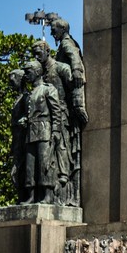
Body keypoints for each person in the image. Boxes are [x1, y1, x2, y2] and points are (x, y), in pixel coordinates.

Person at [50, 18, 89, 207]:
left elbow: (76, 63)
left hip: (67, 107)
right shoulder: (65, 44)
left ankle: (71, 196)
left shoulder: (66, 44)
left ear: (62, 29)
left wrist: (77, 102)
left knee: (68, 153)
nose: (51, 33)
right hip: (65, 105)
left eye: (54, 29)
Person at [20, 60, 66, 203]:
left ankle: (47, 195)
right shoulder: (28, 94)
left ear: (38, 72)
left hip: (45, 130)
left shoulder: (48, 89)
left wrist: (56, 130)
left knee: (44, 164)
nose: (26, 75)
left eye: (29, 72)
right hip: (31, 131)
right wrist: (24, 119)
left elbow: (56, 111)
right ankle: (31, 196)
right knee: (30, 166)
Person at [32, 40, 72, 200]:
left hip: (61, 111)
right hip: (44, 118)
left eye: (38, 52)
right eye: (34, 53)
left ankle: (63, 174)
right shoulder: (38, 72)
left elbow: (74, 87)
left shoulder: (61, 68)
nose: (36, 56)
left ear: (47, 51)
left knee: (61, 144)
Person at [7, 68, 30, 203]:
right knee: (16, 172)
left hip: (24, 139)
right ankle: (21, 197)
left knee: (20, 171)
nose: (11, 84)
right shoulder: (18, 98)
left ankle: (25, 197)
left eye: (12, 80)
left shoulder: (26, 97)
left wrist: (24, 120)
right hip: (17, 139)